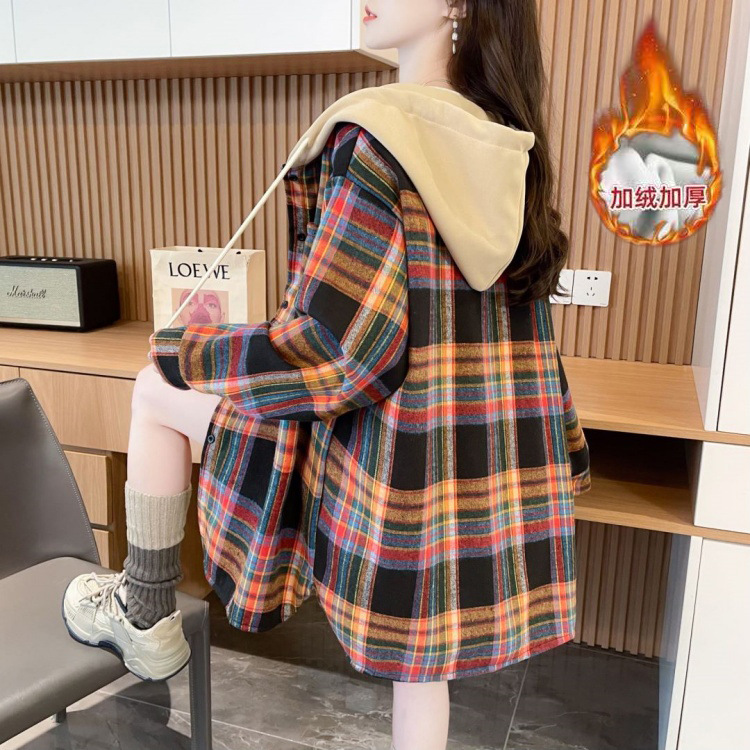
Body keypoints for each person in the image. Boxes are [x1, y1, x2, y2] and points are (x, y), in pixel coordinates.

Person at [62, 2, 591, 749]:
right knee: (421, 668)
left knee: (155, 388)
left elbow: (337, 351)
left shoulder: (377, 138)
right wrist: (564, 447)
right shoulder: (506, 144)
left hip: (373, 476)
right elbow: (527, 340)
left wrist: (188, 350)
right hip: (455, 479)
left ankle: (143, 611)